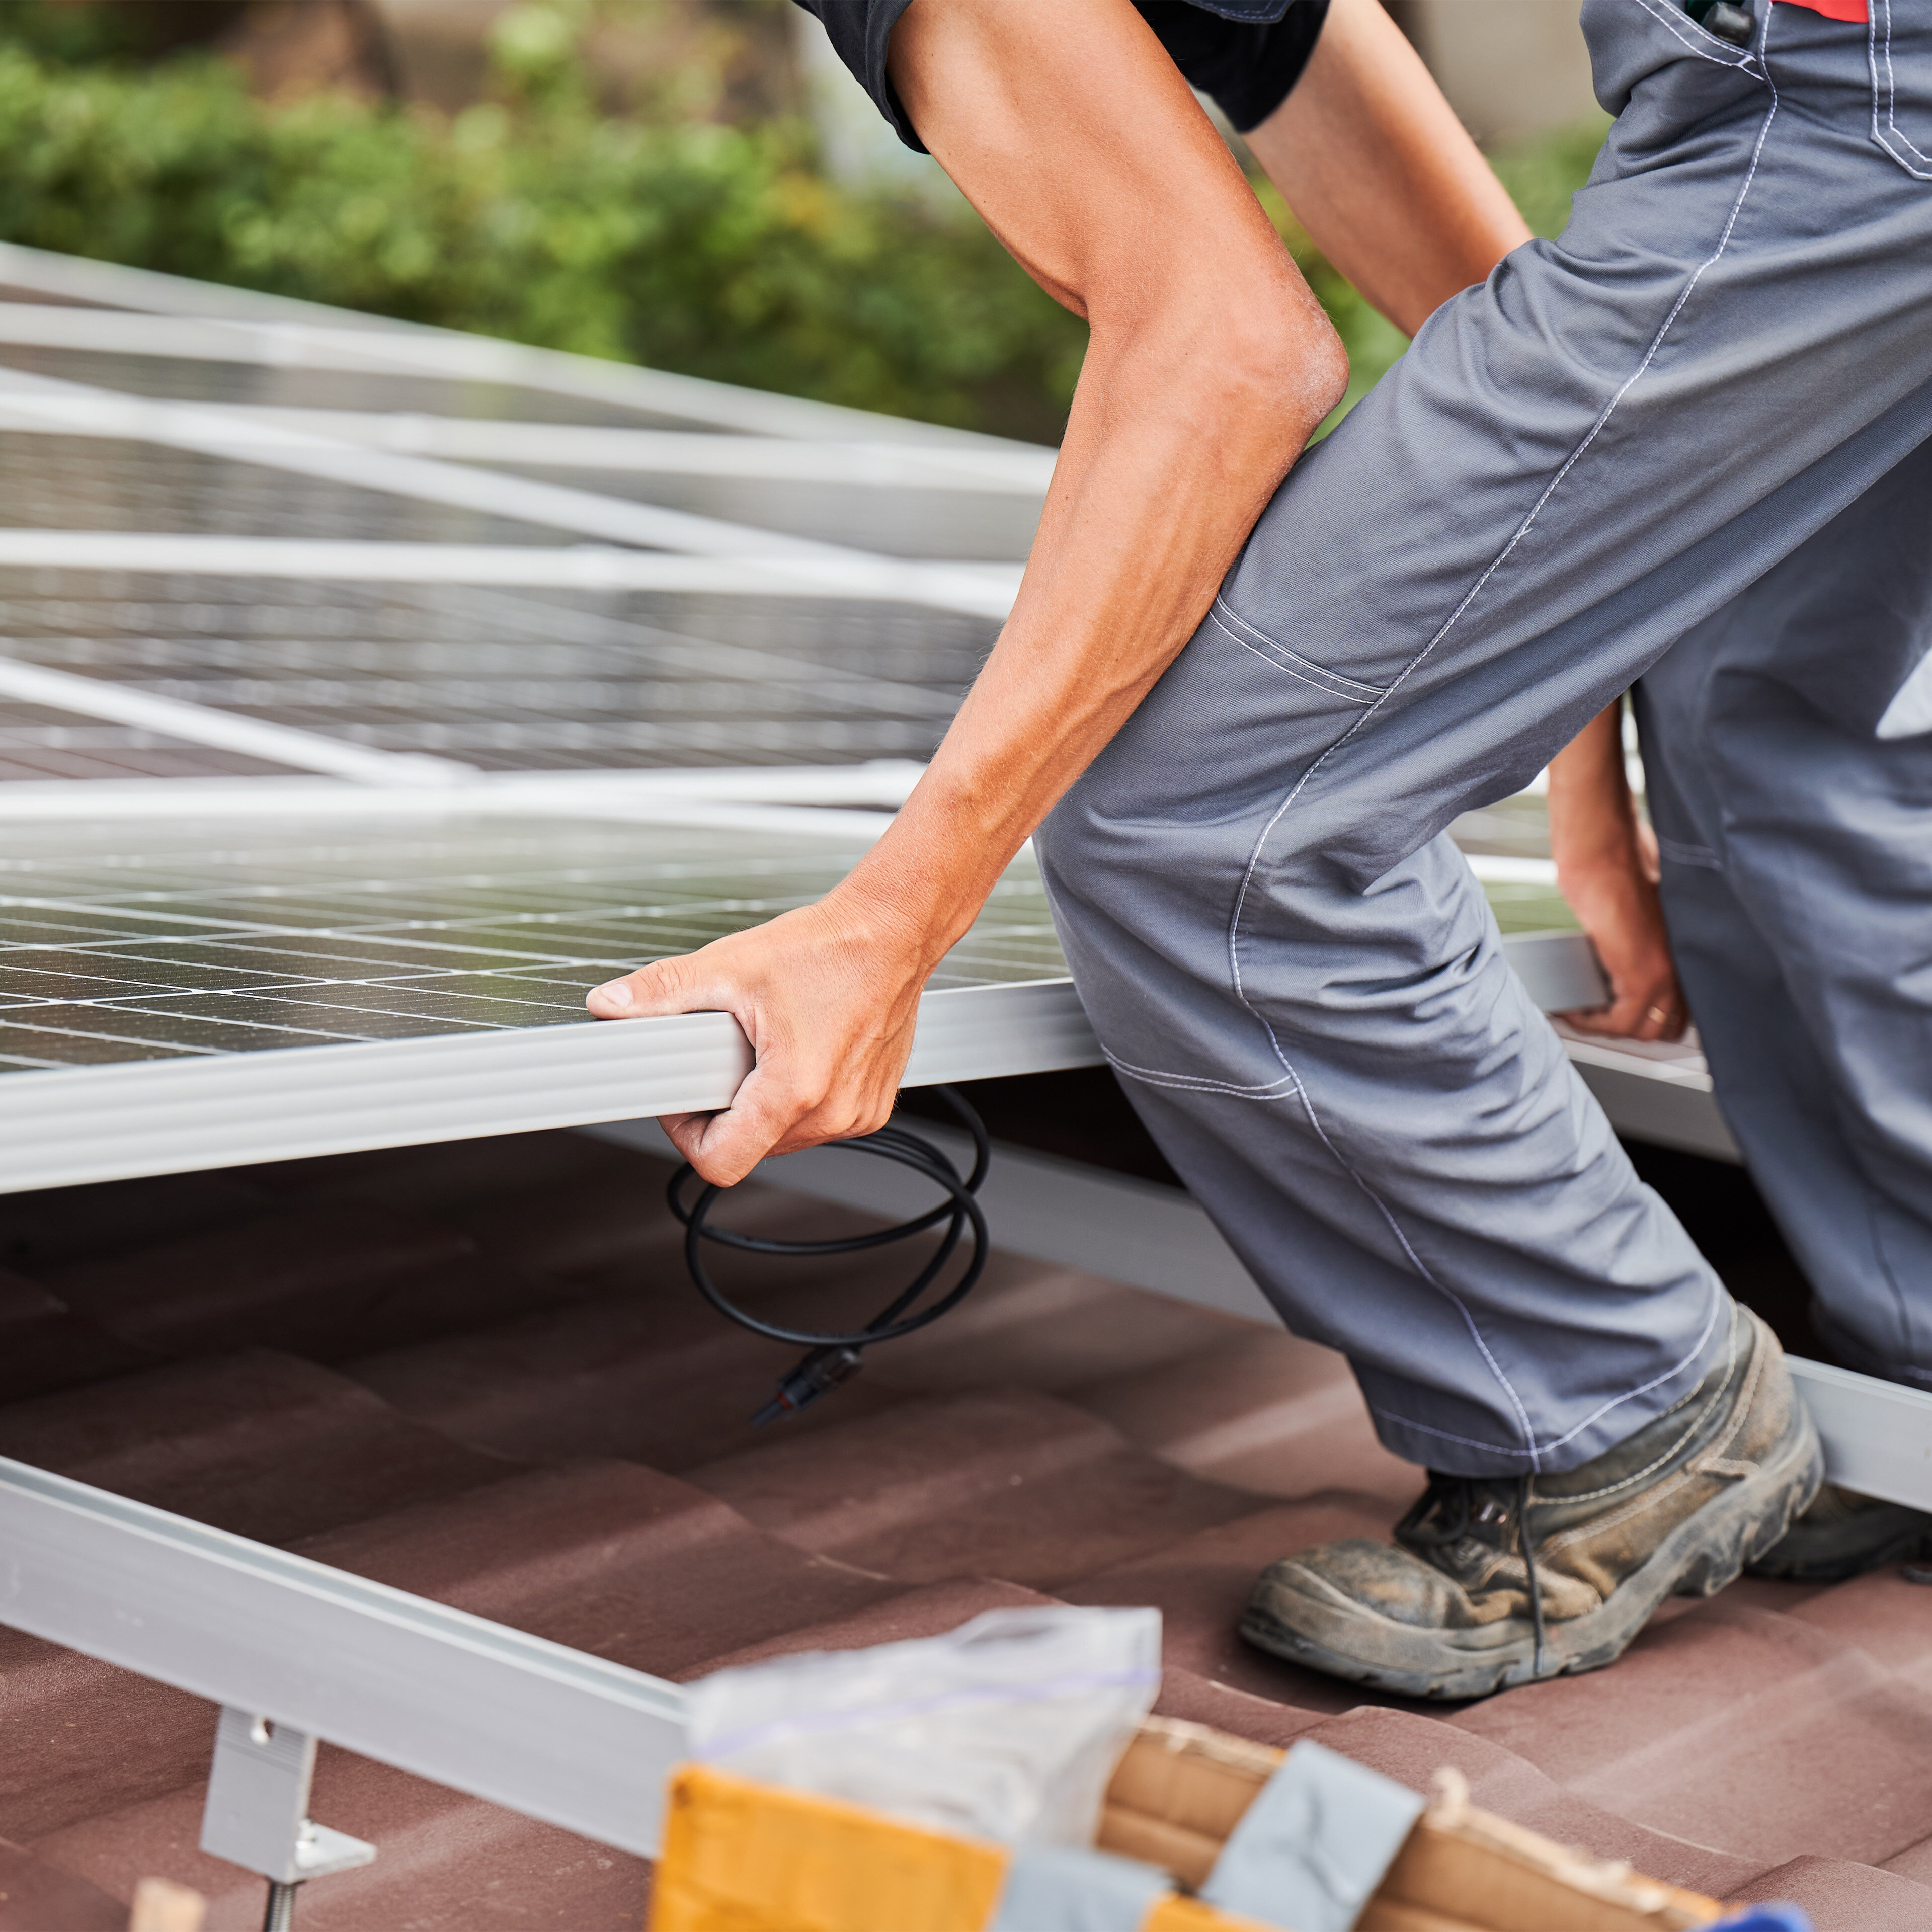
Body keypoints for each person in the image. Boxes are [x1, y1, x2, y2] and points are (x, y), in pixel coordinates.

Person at [587, 0, 1932, 1697]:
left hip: (1850, 92)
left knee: (1215, 821)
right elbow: (1377, 172)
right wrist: (1581, 748)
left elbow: (1228, 345)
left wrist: (889, 920)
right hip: (1844, 84)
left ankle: (1618, 1411)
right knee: (1767, 699)